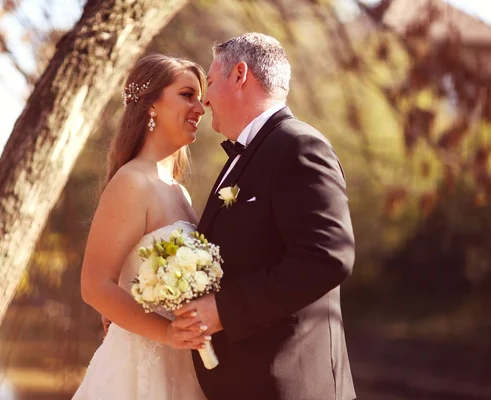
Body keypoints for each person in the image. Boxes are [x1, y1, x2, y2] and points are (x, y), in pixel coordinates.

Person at [172, 33, 357, 400]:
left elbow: (328, 257)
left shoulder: (299, 146)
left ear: (240, 75)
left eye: (210, 83)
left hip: (291, 386)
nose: (205, 100)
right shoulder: (243, 158)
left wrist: (223, 310)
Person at [72, 53, 208, 400]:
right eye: (187, 95)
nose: (200, 108)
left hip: (185, 365)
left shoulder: (180, 191)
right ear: (152, 106)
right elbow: (94, 285)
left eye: (200, 96)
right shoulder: (132, 180)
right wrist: (168, 334)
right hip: (138, 368)